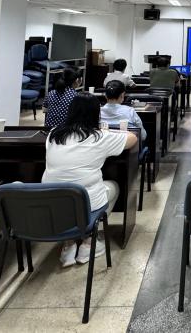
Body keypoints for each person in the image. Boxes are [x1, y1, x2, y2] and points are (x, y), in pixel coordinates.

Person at [43, 93, 137, 267]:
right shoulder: (99, 137)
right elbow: (133, 138)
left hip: (52, 204)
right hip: (85, 203)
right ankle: (89, 240)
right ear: (96, 114)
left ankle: (69, 244)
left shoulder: (53, 134)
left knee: (68, 195)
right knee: (114, 186)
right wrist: (108, 131)